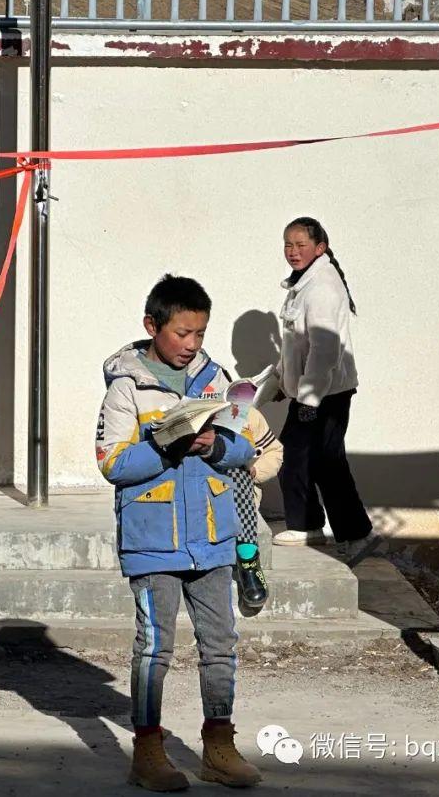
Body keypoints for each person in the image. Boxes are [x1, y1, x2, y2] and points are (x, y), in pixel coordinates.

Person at [96, 274, 261, 791]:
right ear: (152, 326)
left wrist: (215, 445)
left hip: (212, 536)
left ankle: (219, 745)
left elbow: (246, 447)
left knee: (221, 645)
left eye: (200, 334)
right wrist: (166, 446)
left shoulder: (216, 378)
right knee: (154, 648)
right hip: (153, 540)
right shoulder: (127, 386)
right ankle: (148, 751)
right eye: (182, 333)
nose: (192, 345)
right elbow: (111, 463)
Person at [271, 217, 377, 566]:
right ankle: (310, 525)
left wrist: (310, 399)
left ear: (320, 248)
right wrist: (280, 382)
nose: (293, 251)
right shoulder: (304, 284)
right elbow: (295, 345)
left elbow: (324, 351)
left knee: (318, 461)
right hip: (313, 390)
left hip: (325, 392)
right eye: (288, 244)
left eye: (301, 245)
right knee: (308, 459)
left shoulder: (322, 289)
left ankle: (357, 533)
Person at [227, 407, 283, 610]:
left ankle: (248, 560)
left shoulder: (246, 413)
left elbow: (273, 452)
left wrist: (255, 470)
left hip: (239, 489)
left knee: (237, 468)